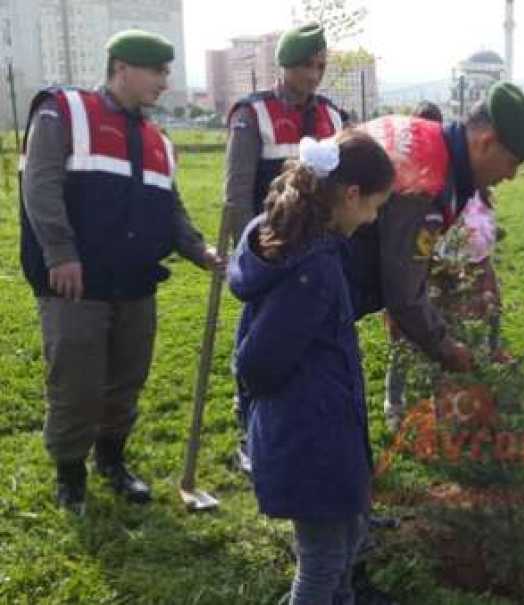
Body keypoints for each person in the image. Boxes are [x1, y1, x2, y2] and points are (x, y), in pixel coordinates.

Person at [18, 30, 222, 514]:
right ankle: (71, 474)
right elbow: (40, 185)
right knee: (77, 381)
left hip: (133, 281)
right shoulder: (62, 110)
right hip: (77, 281)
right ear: (122, 68)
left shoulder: (158, 138)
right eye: (158, 71)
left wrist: (199, 250)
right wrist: (61, 253)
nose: (164, 83)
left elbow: (170, 208)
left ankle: (112, 460)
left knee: (126, 379)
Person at [229, 133, 397, 605]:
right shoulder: (311, 268)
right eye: (374, 206)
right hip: (309, 434)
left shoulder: (300, 245)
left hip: (325, 426)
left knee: (346, 538)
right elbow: (258, 362)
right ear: (350, 195)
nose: (374, 217)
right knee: (321, 561)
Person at [355, 82, 524, 381]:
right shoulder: (425, 183)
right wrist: (446, 348)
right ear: (486, 142)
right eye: (512, 162)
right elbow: (403, 293)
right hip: (313, 293)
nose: (511, 176)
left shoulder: (426, 138)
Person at [225, 23, 343, 473]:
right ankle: (248, 430)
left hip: (317, 255)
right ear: (285, 66)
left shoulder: (333, 116)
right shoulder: (252, 115)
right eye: (305, 66)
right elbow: (237, 193)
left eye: (319, 66)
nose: (313, 75)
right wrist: (249, 256)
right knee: (257, 346)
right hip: (271, 251)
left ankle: (302, 428)